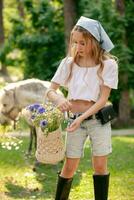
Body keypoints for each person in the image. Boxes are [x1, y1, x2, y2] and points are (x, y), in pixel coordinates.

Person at [45, 16, 118, 200]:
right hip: (73, 120)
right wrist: (59, 99)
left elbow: (102, 100)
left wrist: (81, 118)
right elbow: (50, 90)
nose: (78, 47)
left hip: (97, 122)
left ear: (94, 42)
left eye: (83, 43)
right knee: (69, 167)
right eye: (75, 42)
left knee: (100, 167)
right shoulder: (68, 63)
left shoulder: (108, 65)